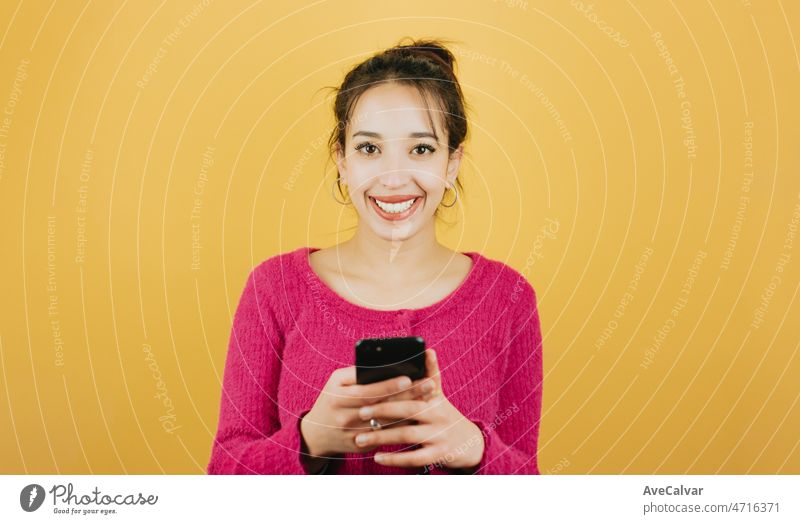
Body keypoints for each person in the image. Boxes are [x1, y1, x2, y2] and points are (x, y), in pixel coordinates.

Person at [207, 38, 543, 474]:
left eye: (421, 149)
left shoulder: (508, 298)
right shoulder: (275, 289)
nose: (393, 177)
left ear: (452, 163)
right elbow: (222, 479)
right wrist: (311, 440)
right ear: (342, 161)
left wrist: (475, 449)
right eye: (369, 149)